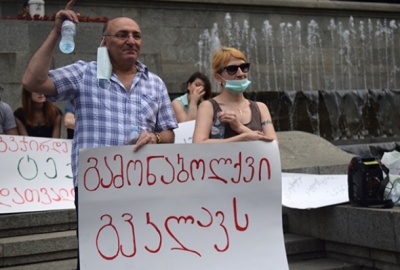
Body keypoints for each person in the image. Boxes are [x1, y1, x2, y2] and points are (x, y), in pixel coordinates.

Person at [22, 1, 178, 267]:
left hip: (144, 186)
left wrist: (156, 138)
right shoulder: (84, 73)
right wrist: (56, 33)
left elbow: (168, 133)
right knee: (98, 259)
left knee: (143, 257)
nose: (131, 40)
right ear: (104, 42)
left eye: (136, 35)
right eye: (122, 35)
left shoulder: (156, 83)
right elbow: (33, 81)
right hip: (96, 188)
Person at [192, 46, 278, 144]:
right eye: (232, 69)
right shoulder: (208, 107)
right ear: (218, 77)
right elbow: (198, 143)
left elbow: (273, 144)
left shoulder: (260, 108)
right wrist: (243, 137)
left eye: (244, 67)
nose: (240, 73)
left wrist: (240, 128)